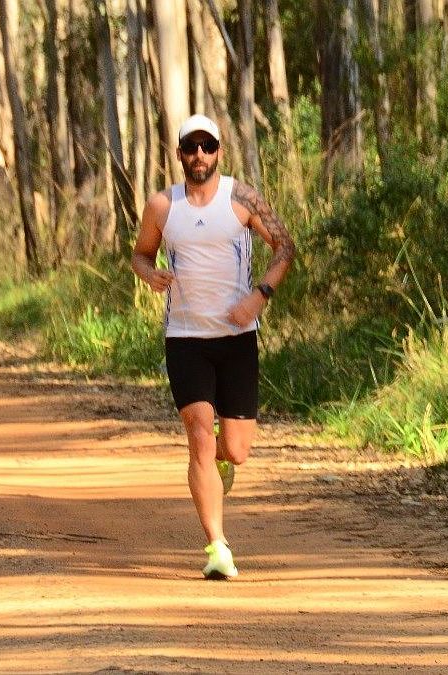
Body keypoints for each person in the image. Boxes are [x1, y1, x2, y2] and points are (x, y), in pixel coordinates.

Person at [130, 114, 295, 580]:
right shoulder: (162, 206)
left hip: (237, 339)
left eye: (207, 146)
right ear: (180, 153)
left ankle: (221, 467)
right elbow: (141, 254)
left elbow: (285, 246)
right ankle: (217, 547)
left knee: (236, 450)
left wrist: (258, 296)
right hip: (185, 338)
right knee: (200, 437)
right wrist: (150, 274)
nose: (199, 155)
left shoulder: (241, 198)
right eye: (190, 147)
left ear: (219, 151)